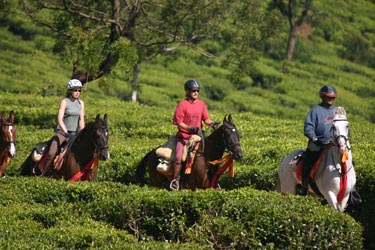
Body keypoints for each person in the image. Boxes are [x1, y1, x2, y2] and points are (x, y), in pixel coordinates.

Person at [170, 79, 219, 190]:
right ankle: (175, 181)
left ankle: (214, 181)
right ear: (187, 92)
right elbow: (179, 123)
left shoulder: (201, 104)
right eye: (193, 91)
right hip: (184, 137)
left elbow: (206, 119)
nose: (196, 93)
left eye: (197, 90)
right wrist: (189, 128)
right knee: (179, 156)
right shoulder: (182, 105)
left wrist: (211, 123)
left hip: (198, 137)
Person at [42, 79, 85, 175]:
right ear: (70, 90)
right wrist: (66, 133)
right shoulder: (64, 102)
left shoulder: (81, 103)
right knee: (51, 152)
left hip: (74, 133)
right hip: (62, 133)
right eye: (75, 90)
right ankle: (44, 173)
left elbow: (81, 119)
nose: (77, 92)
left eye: (79, 90)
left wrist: (82, 132)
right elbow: (59, 119)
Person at [299, 85, 337, 195]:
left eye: (333, 97)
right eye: (328, 97)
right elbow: (308, 127)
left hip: (334, 144)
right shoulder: (315, 111)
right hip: (318, 144)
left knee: (349, 163)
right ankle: (304, 186)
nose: (331, 99)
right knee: (308, 161)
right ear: (322, 97)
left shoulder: (336, 112)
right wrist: (315, 139)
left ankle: (352, 192)